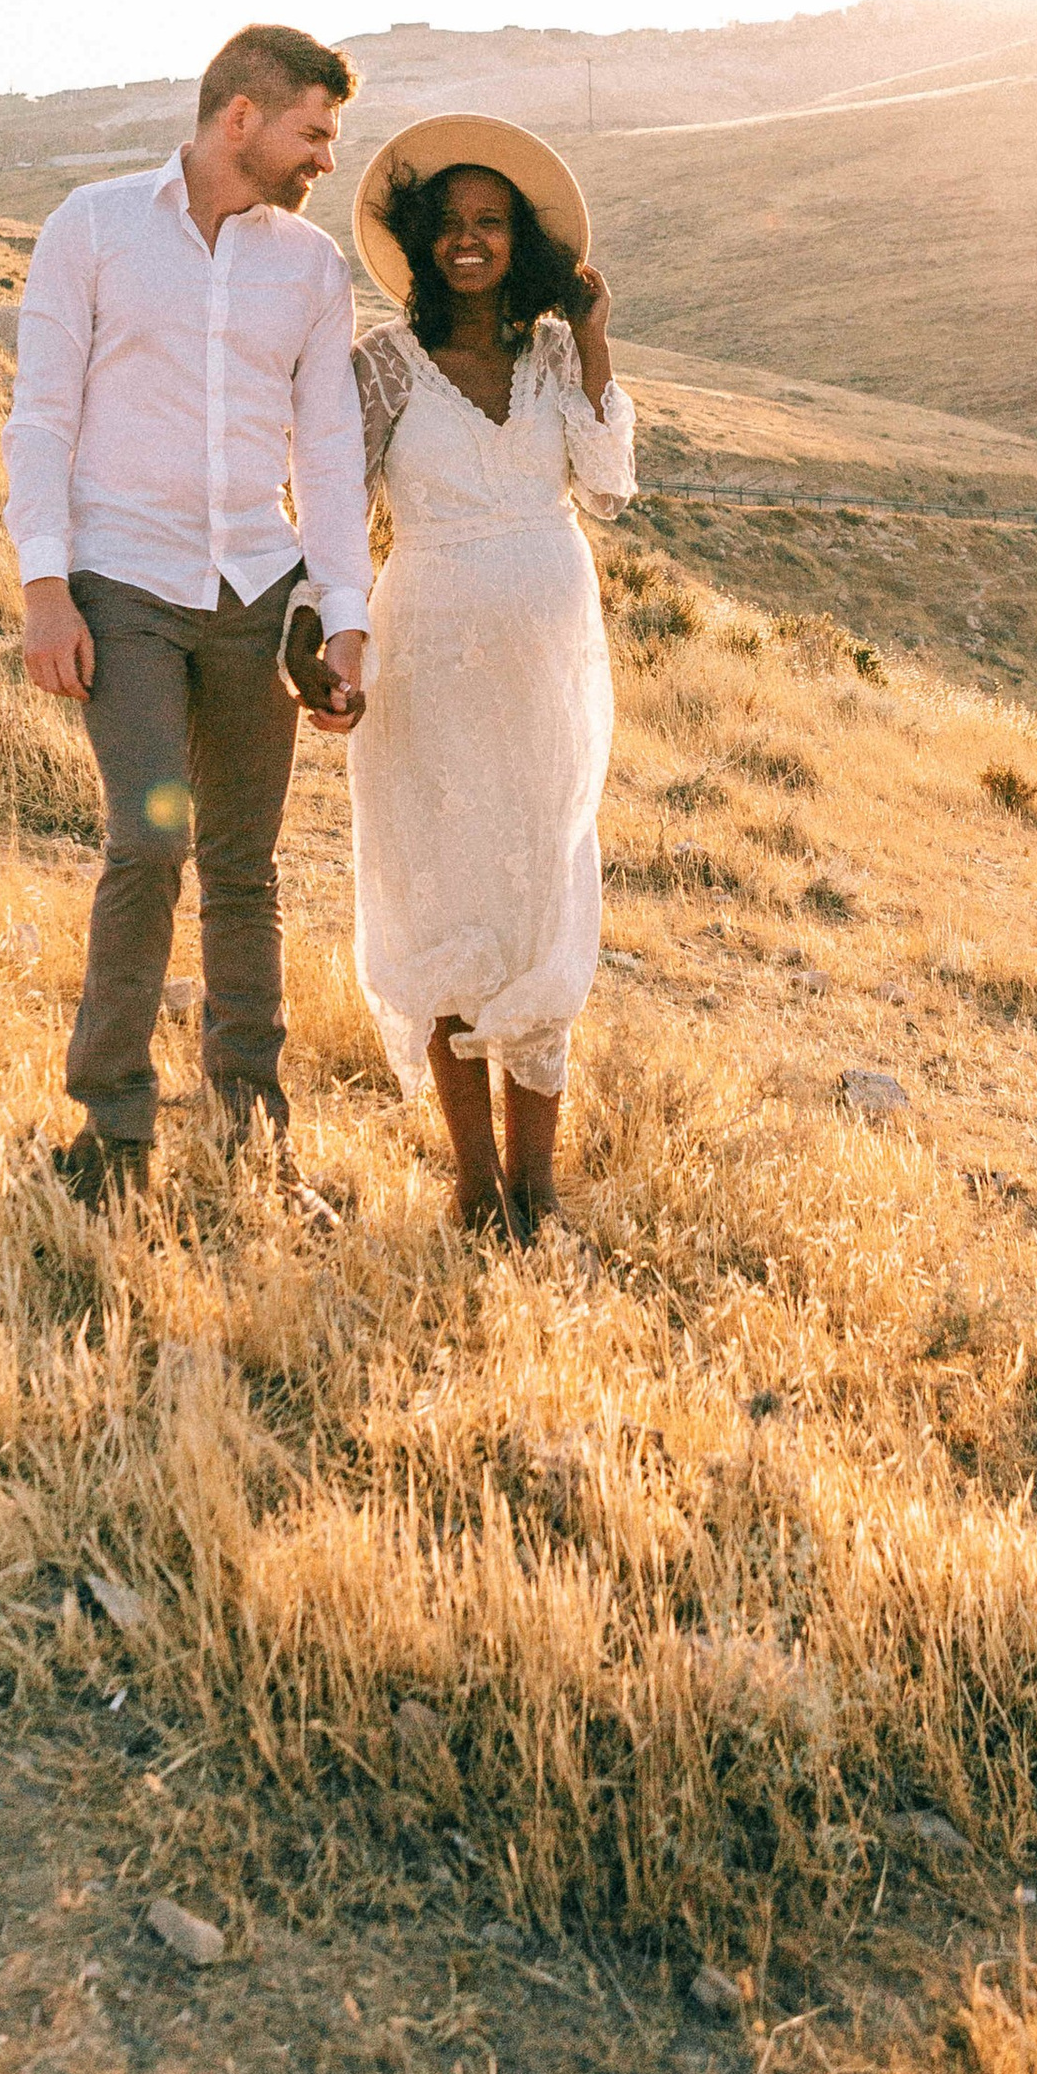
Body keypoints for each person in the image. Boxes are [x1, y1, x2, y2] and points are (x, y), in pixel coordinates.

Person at [6, 22, 372, 1205]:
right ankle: (111, 1137)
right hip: (123, 583)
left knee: (246, 868)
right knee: (149, 841)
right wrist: (43, 583)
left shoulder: (312, 270)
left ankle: (252, 1139)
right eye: (314, 134)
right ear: (241, 118)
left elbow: (326, 450)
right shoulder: (96, 227)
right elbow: (42, 415)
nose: (324, 161)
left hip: (254, 595)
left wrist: (342, 606)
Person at [345, 115, 635, 1239]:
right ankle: (473, 1185)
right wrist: (324, 638)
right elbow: (323, 504)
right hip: (425, 666)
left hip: (551, 672)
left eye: (492, 224)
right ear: (421, 241)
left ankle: (539, 1186)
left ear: (523, 242)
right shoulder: (380, 364)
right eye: (450, 224)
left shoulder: (557, 357)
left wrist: (598, 340)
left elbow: (606, 487)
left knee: (540, 897)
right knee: (445, 901)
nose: (470, 242)